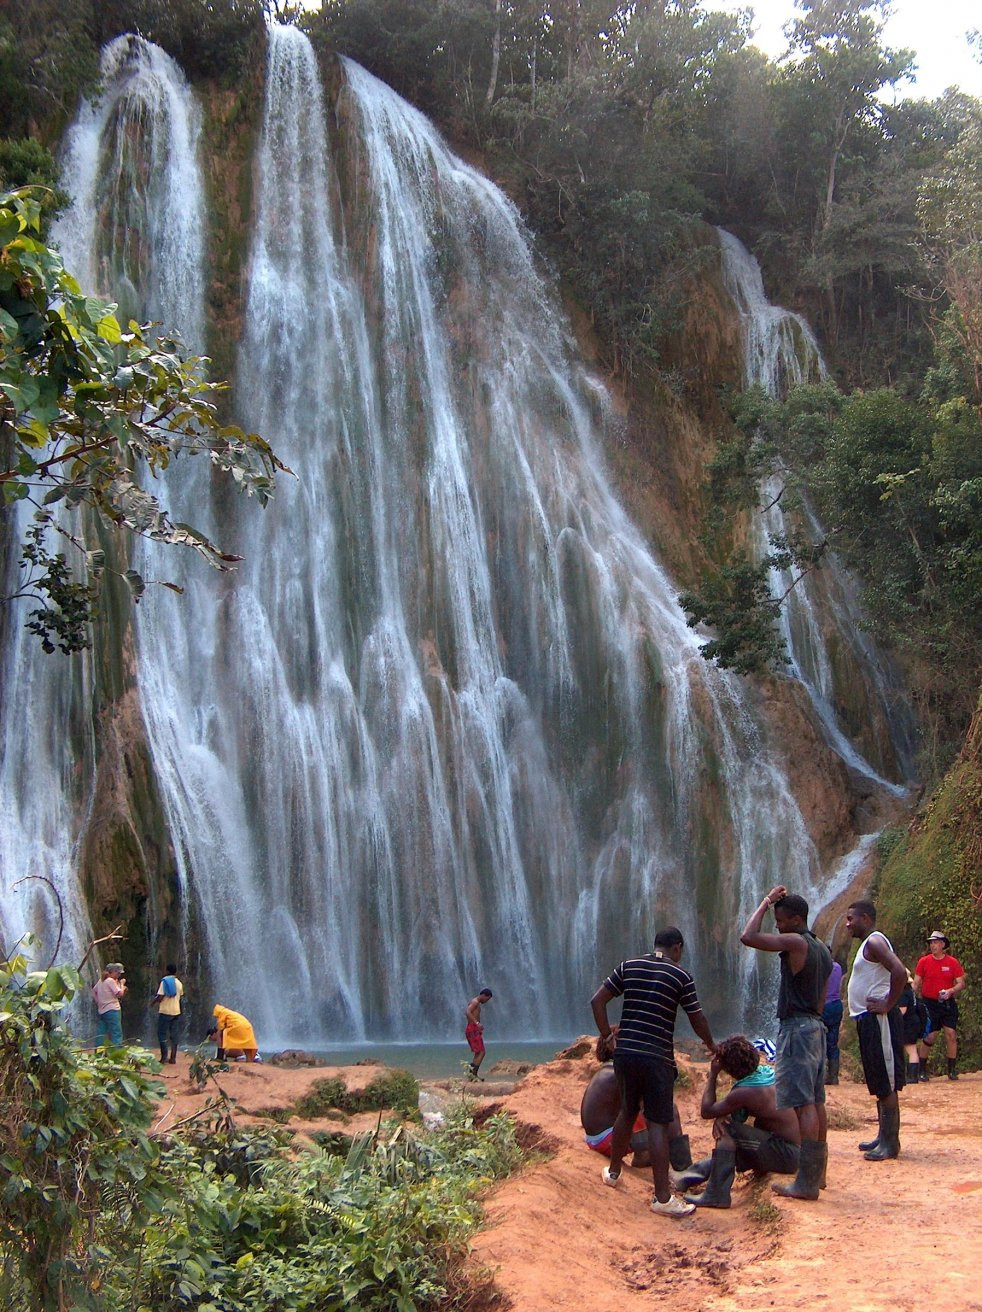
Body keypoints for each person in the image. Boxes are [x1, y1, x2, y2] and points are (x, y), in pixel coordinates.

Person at [591, 926, 716, 1219]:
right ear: (677, 948)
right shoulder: (680, 976)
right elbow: (697, 1017)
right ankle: (662, 1198)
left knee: (628, 1111)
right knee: (658, 1123)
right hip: (657, 1058)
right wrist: (711, 1044)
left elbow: (597, 1000)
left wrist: (607, 1037)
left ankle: (613, 1172)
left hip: (625, 1054)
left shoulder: (629, 966)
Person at [740, 885, 832, 1201]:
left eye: (780, 920)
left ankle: (805, 1182)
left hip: (797, 1029)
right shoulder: (823, 949)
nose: (777, 926)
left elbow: (747, 936)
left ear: (795, 919)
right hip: (816, 1026)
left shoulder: (796, 941)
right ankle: (817, 1174)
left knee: (803, 1104)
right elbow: (821, 999)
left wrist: (766, 901)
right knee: (816, 1102)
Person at [683, 1034, 801, 1209]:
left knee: (726, 1129)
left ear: (729, 1069)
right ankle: (688, 1176)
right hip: (791, 1150)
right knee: (730, 1146)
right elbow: (737, 1115)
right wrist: (723, 1115)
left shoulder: (744, 1091)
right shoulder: (765, 1073)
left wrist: (713, 1074)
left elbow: (706, 1111)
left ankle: (717, 1194)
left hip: (787, 1155)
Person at [845, 901, 908, 1160]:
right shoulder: (868, 944)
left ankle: (890, 1143)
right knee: (879, 1078)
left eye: (851, 918)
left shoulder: (874, 941)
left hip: (879, 1020)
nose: (847, 924)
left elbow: (899, 971)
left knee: (886, 1080)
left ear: (866, 919)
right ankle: (883, 1136)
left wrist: (888, 1004)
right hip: (869, 1019)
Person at [580, 1049, 693, 1174]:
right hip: (607, 1141)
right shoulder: (619, 1073)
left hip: (594, 1140)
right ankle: (684, 1170)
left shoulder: (607, 1070)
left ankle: (644, 1156)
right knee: (670, 1111)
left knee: (638, 1113)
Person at [914, 931, 966, 1080]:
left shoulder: (952, 962)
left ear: (943, 944)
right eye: (931, 943)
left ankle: (952, 1070)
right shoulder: (924, 961)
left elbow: (961, 983)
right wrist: (910, 998)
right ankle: (921, 1070)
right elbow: (916, 982)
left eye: (936, 942)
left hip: (947, 1003)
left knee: (951, 1034)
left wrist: (951, 991)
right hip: (929, 1003)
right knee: (930, 1037)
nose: (933, 945)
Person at [149, 962, 184, 1064]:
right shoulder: (179, 983)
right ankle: (173, 1058)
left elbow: (160, 997)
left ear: (167, 971)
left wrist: (153, 1002)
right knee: (174, 1035)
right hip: (176, 1012)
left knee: (161, 1033)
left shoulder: (164, 982)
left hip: (165, 1011)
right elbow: (180, 996)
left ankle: (164, 1057)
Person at [898, 971, 927, 1084]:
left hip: (907, 1024)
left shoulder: (903, 993)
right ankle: (912, 1075)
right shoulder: (910, 991)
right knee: (912, 1050)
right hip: (914, 1022)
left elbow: (902, 1011)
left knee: (911, 1050)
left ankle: (912, 1076)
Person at [92, 962, 127, 1047]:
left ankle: (99, 1051)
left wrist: (98, 1002)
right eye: (118, 973)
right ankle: (117, 1052)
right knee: (116, 1032)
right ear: (113, 972)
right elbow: (120, 993)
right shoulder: (110, 980)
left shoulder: (101, 981)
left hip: (102, 1011)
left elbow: (93, 991)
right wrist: (122, 984)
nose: (119, 975)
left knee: (101, 1032)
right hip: (112, 1010)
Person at [822, 956, 844, 1084]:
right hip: (836, 1005)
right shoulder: (837, 967)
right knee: (833, 1041)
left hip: (823, 1006)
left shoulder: (821, 966)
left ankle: (822, 1075)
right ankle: (834, 1077)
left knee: (820, 1040)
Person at [465, 988, 492, 1080]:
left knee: (478, 1052)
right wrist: (477, 1023)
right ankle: (473, 1075)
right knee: (481, 1052)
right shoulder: (475, 1002)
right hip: (472, 1029)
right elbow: (467, 1012)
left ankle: (472, 1075)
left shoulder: (476, 1002)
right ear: (483, 995)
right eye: (487, 999)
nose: (486, 1001)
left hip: (473, 1029)